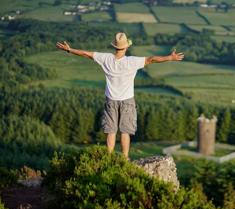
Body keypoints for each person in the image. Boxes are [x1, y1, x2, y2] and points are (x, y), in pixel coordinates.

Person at [56, 32, 184, 159]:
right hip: (127, 100)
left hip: (111, 100)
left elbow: (86, 54)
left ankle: (109, 157)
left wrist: (69, 49)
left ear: (114, 46)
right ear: (126, 47)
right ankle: (125, 158)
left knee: (111, 131)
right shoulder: (132, 61)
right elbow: (152, 59)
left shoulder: (106, 59)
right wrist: (170, 58)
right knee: (125, 131)